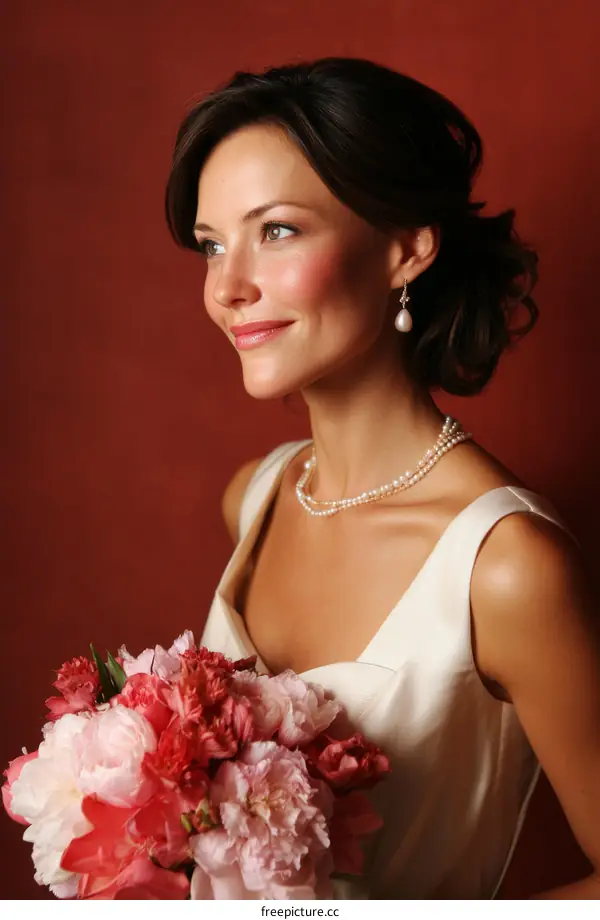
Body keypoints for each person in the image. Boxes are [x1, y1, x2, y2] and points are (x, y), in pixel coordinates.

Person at [164, 57, 600, 899]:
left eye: (277, 231)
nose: (228, 286)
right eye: (214, 245)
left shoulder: (508, 567)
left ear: (407, 248)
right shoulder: (254, 496)